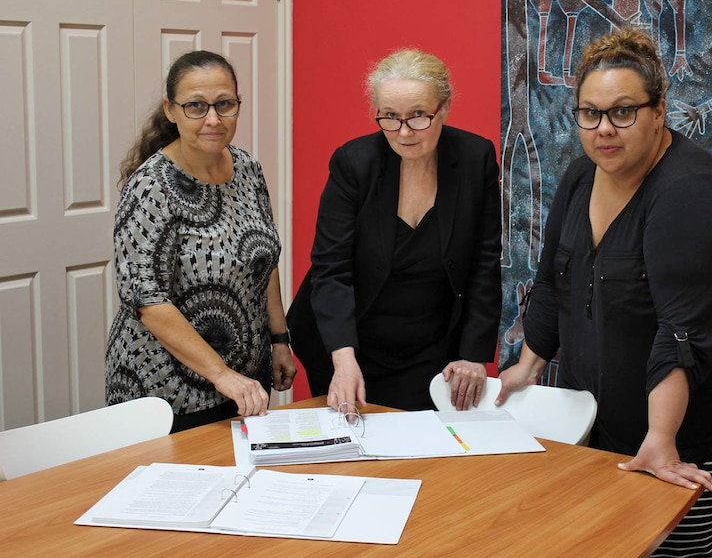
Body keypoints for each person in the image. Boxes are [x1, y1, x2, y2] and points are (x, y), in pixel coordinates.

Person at [495, 29, 712, 556]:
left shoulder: (693, 199)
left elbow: (681, 337)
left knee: (683, 546)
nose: (604, 130)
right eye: (589, 113)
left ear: (660, 112)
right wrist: (529, 363)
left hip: (711, 415)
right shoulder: (581, 177)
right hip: (616, 407)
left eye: (623, 111)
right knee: (619, 537)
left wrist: (660, 438)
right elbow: (554, 279)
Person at [289, 48, 501, 412]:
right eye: (390, 117)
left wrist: (473, 355)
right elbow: (331, 270)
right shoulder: (354, 164)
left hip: (431, 345)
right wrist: (343, 360)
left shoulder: (474, 158)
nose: (404, 133)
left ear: (444, 107)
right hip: (348, 343)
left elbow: (484, 262)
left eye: (419, 116)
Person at [106, 50, 296, 433]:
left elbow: (265, 258)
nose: (213, 118)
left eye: (224, 104)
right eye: (196, 106)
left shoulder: (247, 168)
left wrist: (279, 339)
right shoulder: (151, 187)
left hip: (245, 381)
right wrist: (221, 374)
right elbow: (148, 300)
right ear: (170, 109)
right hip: (168, 388)